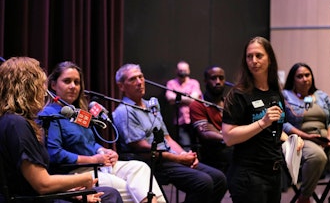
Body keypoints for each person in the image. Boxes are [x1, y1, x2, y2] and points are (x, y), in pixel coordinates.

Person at [40, 61, 165, 203]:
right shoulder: (49, 114)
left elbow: (90, 142)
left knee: (141, 168)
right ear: (53, 85)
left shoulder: (79, 113)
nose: (73, 86)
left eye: (77, 82)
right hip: (75, 172)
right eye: (67, 81)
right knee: (131, 189)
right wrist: (93, 159)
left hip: (98, 166)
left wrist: (104, 151)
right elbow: (55, 153)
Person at [0, 57, 122, 203]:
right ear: (29, 88)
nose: (44, 93)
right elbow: (42, 184)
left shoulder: (12, 121)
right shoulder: (16, 124)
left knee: (109, 192)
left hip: (38, 194)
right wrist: (84, 179)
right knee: (109, 195)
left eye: (77, 82)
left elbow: (30, 182)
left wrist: (69, 191)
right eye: (41, 86)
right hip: (32, 199)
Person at [113, 63, 228, 203]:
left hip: (169, 157)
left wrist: (184, 154)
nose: (139, 82)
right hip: (152, 162)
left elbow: (167, 138)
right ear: (121, 86)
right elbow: (140, 147)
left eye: (141, 77)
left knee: (219, 179)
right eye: (133, 79)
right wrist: (178, 159)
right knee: (203, 182)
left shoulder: (151, 104)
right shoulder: (123, 111)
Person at [222, 36, 285, 203]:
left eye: (259, 56)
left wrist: (292, 139)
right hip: (249, 175)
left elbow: (277, 129)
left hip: (274, 172)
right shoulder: (238, 94)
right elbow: (228, 137)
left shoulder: (275, 92)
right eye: (249, 57)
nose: (254, 61)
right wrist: (262, 123)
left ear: (269, 59)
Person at [282, 62, 330, 203]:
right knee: (317, 157)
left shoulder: (321, 96)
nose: (305, 79)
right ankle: (304, 197)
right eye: (299, 76)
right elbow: (282, 123)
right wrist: (307, 136)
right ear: (293, 79)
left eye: (307, 75)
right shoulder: (285, 96)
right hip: (301, 138)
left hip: (325, 137)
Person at [189, 65, 233, 175]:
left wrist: (221, 133)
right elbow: (206, 133)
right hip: (211, 154)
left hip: (232, 150)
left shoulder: (230, 103)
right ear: (205, 81)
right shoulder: (197, 104)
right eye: (213, 78)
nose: (218, 82)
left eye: (221, 78)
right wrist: (231, 136)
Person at [165, 60, 202, 151]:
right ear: (176, 71)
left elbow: (194, 99)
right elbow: (169, 98)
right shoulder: (171, 83)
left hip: (195, 120)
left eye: (185, 70)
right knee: (185, 146)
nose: (183, 72)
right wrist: (187, 99)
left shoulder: (194, 83)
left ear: (189, 71)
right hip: (180, 121)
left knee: (197, 145)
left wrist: (178, 99)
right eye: (180, 70)